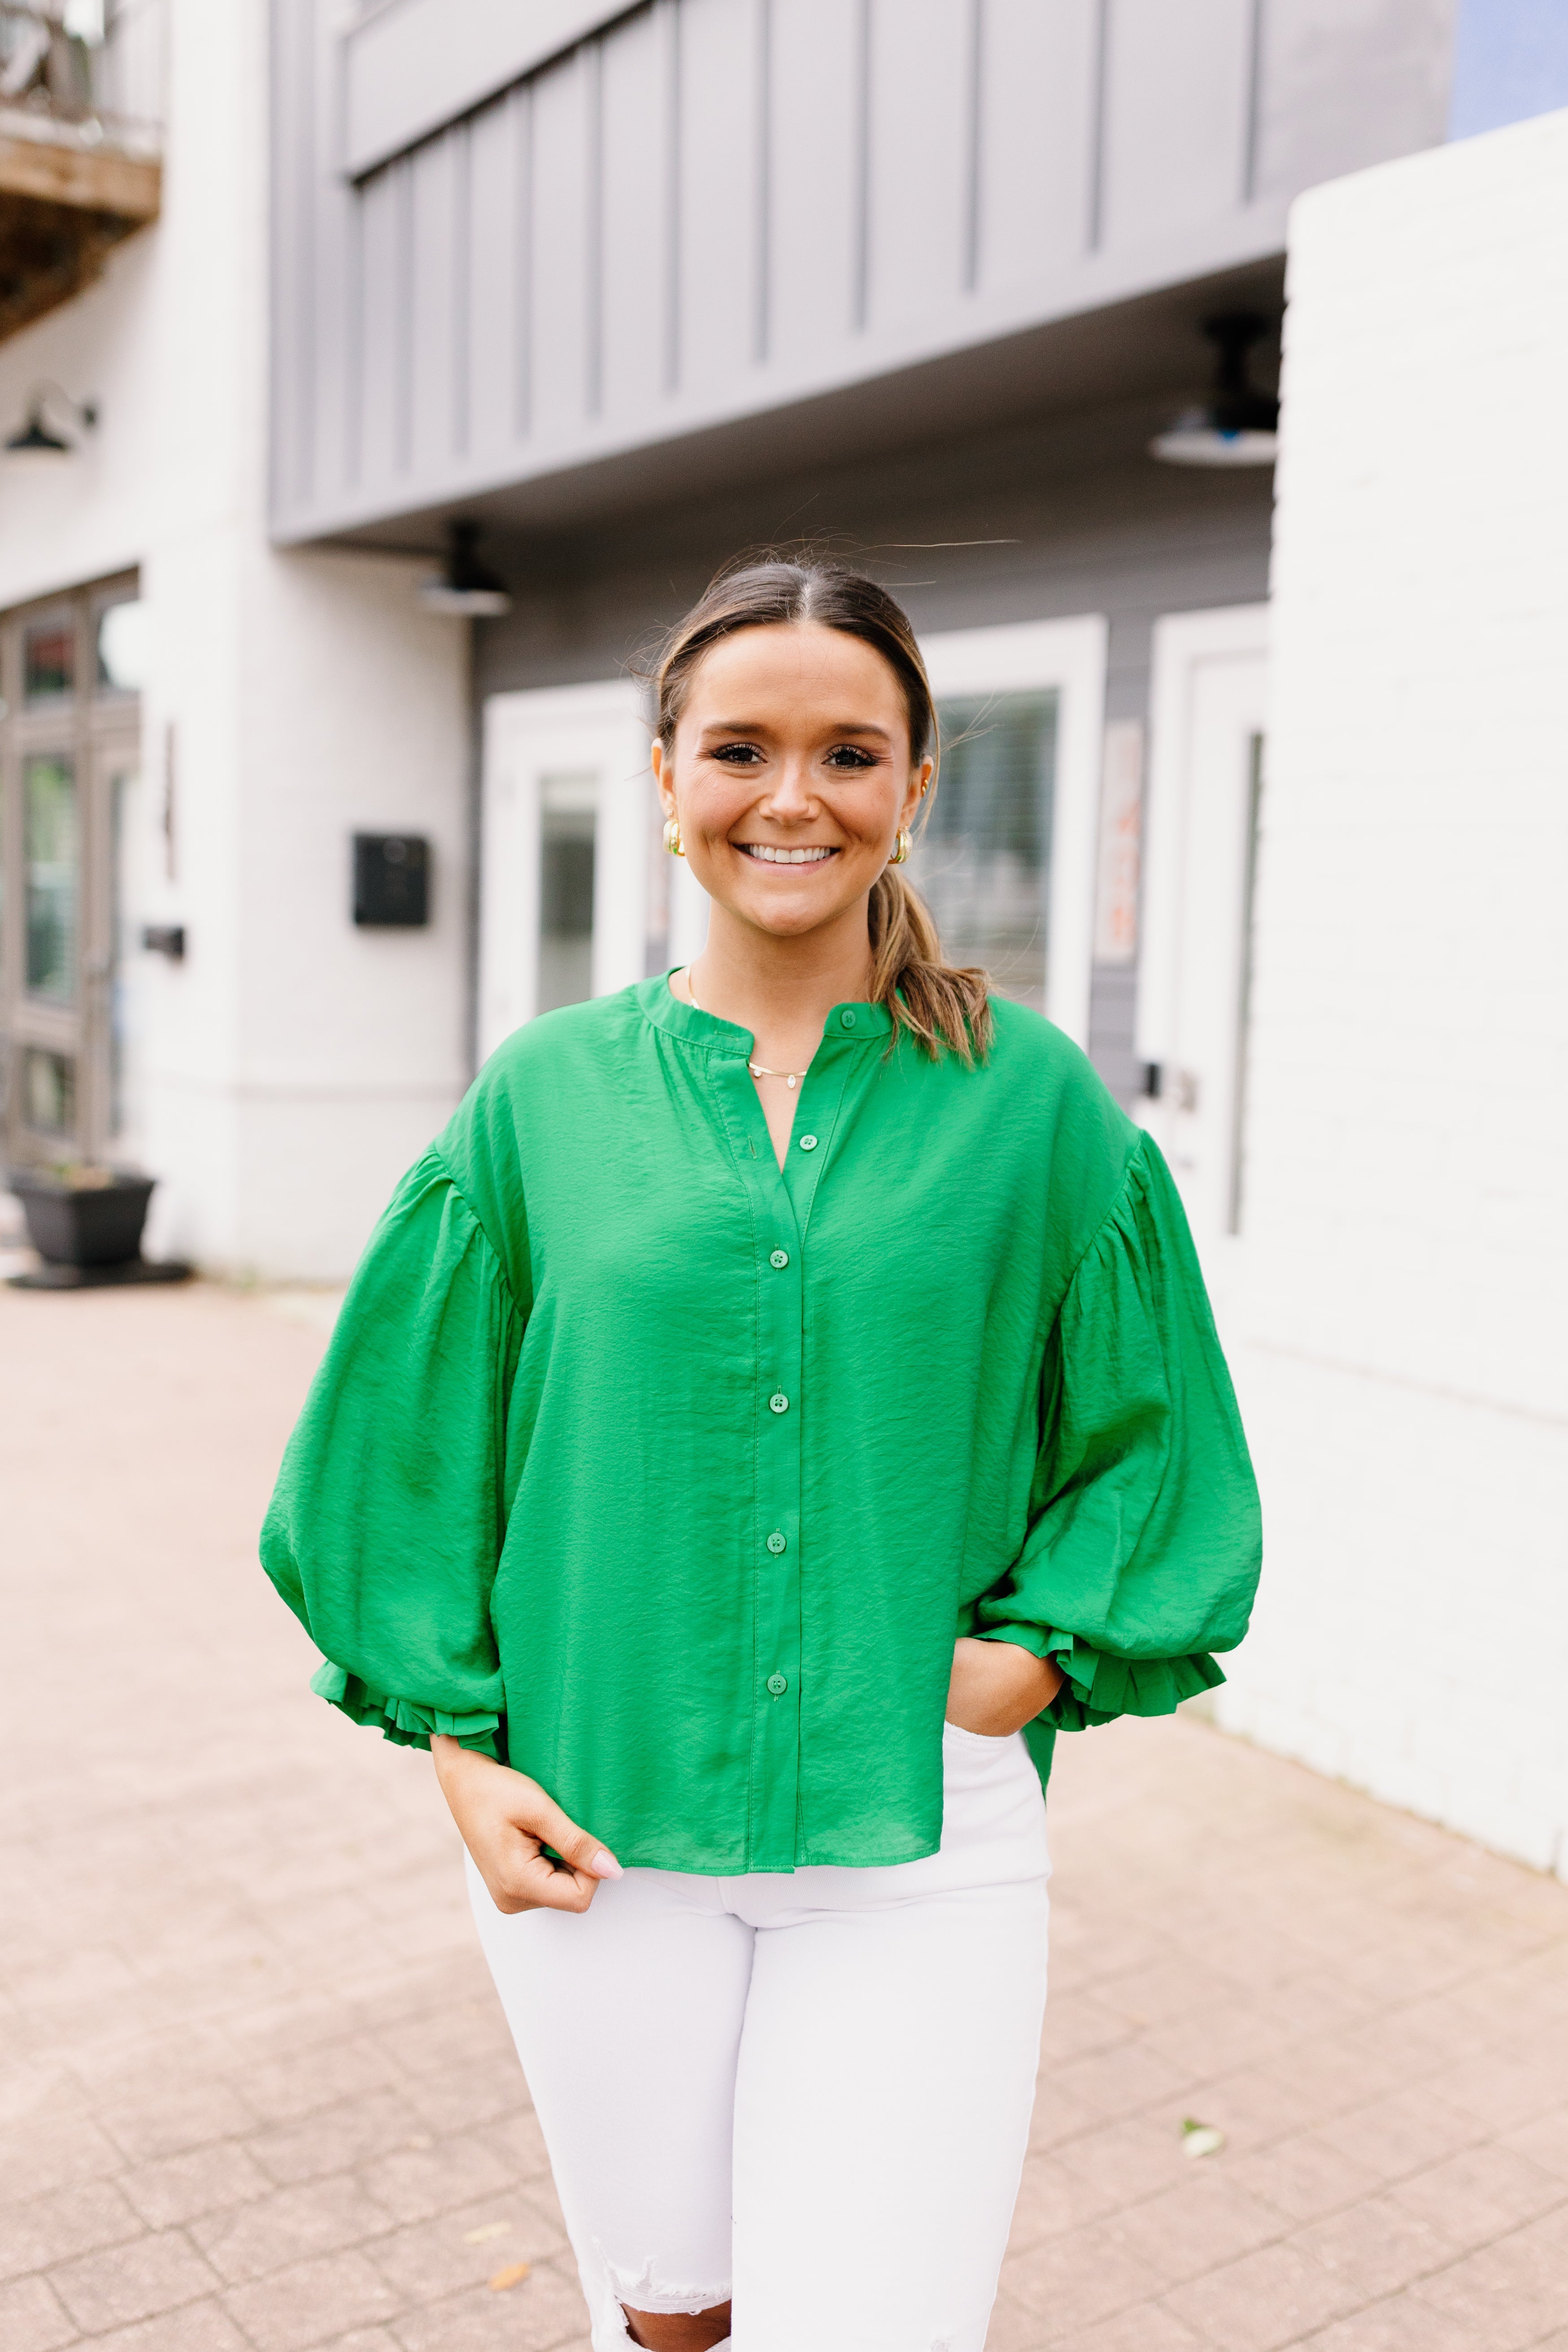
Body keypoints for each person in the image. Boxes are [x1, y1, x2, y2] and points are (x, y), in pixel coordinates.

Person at [261, 557, 1261, 2352]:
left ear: (913, 789)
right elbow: (406, 1454)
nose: (791, 797)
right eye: (739, 748)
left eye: (848, 754)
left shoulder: (1033, 1107)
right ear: (663, 778)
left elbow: (1152, 1437)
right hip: (594, 1832)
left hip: (917, 1840)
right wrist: (452, 1759)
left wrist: (1019, 1667)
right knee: (668, 2314)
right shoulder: (542, 1098)